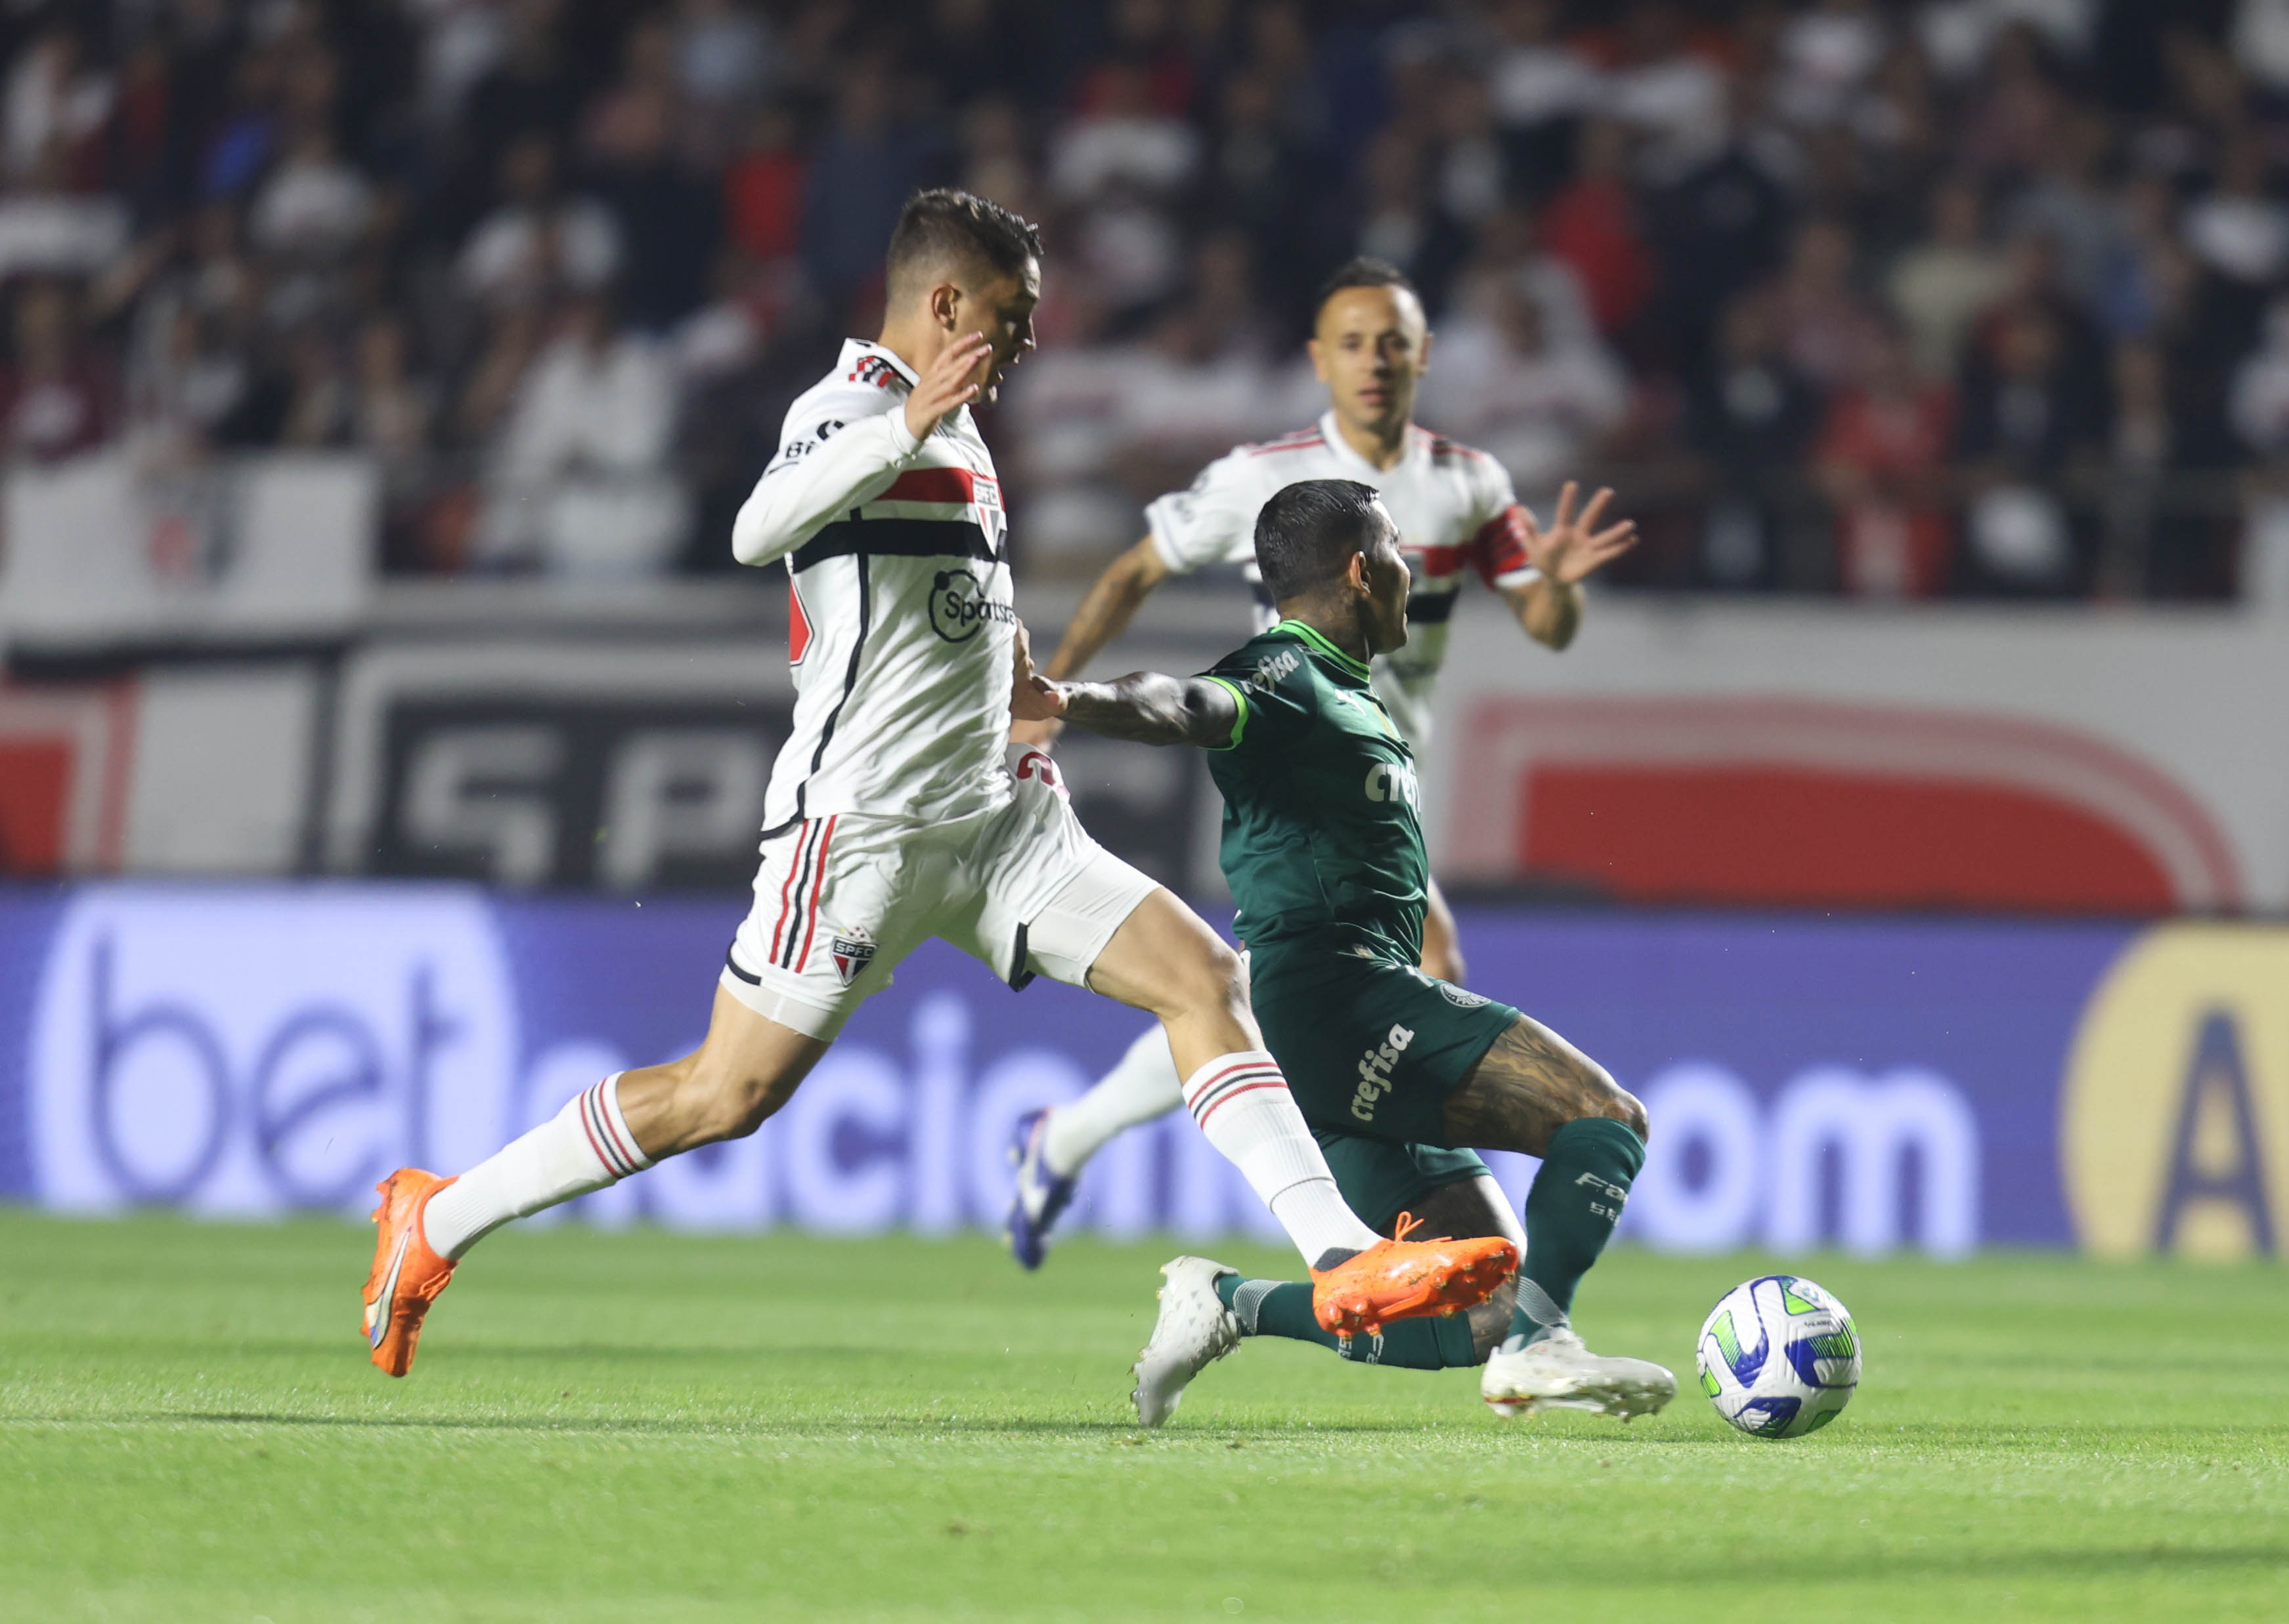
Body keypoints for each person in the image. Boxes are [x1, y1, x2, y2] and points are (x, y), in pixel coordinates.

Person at [359, 192, 1517, 1378]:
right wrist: (898, 426)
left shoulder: (956, 428)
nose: (1025, 342)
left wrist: (1012, 694)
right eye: (1012, 316)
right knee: (724, 1094)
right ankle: (435, 1220)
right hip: (866, 828)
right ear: (947, 302)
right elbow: (757, 533)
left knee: (1203, 979)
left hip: (1000, 816)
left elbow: (946, 612)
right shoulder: (852, 406)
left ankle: (1340, 1258)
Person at [1003, 255, 1638, 1269]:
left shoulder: (1468, 485)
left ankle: (1067, 1139)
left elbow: (1545, 621)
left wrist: (1557, 587)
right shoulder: (1267, 476)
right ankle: (1421, 1237)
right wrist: (1055, 703)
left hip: (1382, 790)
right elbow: (1135, 569)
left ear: (1425, 355)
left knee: (1265, 990)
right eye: (1352, 343)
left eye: (1393, 342)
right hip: (1296, 782)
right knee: (1376, 980)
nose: (1374, 361)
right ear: (1320, 358)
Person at [1013, 479, 1674, 1424]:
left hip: (1326, 1022)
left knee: (1473, 1306)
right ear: (1363, 571)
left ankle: (1232, 1304)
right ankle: (1545, 1346)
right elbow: (1185, 703)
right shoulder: (1286, 675)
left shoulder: (1346, 691)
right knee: (1605, 1119)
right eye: (1400, 552)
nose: (1413, 571)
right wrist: (1067, 698)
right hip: (1340, 998)